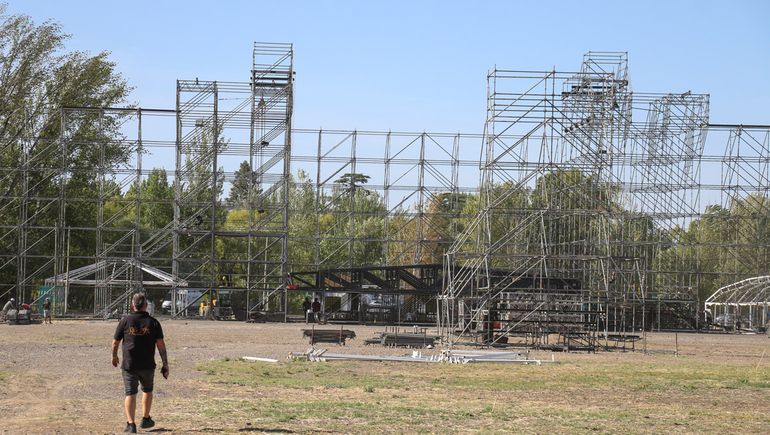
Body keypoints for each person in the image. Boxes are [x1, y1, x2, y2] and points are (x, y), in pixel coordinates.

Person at [112, 292, 169, 433]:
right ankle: (145, 418)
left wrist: (114, 356)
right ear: (146, 305)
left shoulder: (125, 321)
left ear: (133, 305)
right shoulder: (154, 322)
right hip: (148, 365)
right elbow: (161, 345)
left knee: (130, 393)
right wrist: (165, 363)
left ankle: (131, 424)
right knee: (147, 391)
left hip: (129, 364)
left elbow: (115, 342)